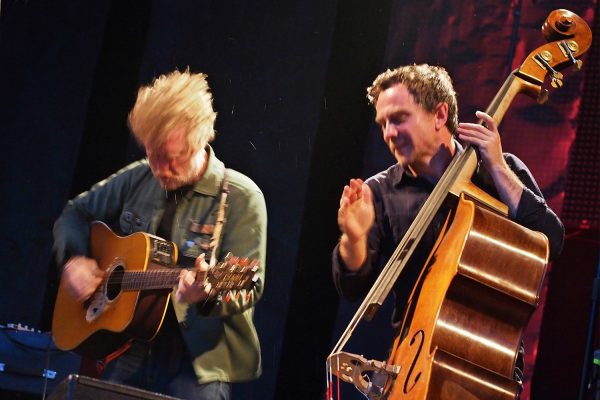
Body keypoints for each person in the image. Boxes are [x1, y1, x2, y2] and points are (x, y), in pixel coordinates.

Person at [332, 64, 564, 383]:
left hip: (491, 360)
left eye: (398, 119)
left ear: (440, 115)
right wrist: (353, 239)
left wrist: (496, 166)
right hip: (412, 364)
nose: (389, 133)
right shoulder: (379, 192)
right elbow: (352, 287)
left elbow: (551, 241)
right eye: (383, 124)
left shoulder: (500, 172)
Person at [53, 69, 267, 400]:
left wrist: (206, 294)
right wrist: (74, 259)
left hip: (197, 363)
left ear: (200, 140)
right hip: (128, 347)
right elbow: (74, 214)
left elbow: (249, 286)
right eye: (151, 155)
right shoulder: (140, 177)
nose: (159, 170)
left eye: (171, 159)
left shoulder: (241, 197)